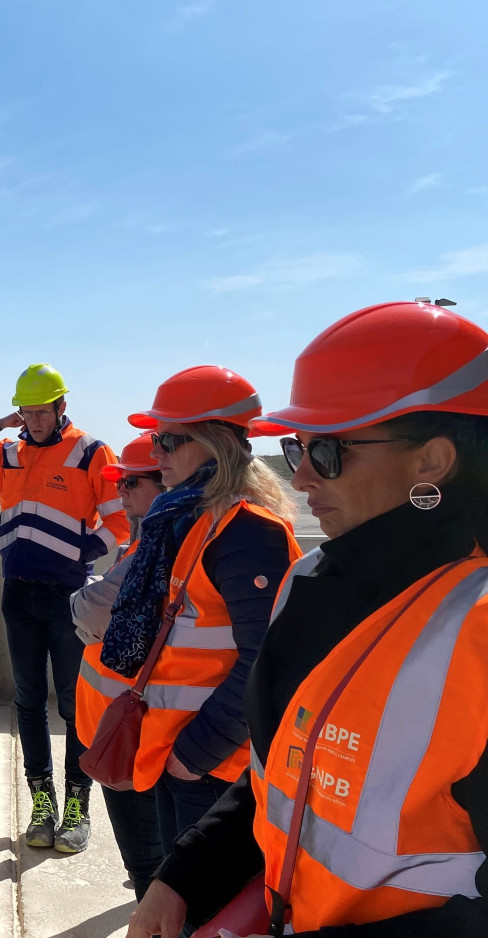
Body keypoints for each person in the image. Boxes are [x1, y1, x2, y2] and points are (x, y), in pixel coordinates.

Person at [129, 301, 488, 938]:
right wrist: (185, 875)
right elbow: (281, 775)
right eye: (298, 449)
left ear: (431, 462)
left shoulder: (478, 628)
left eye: (326, 450)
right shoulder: (313, 582)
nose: (299, 478)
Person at [96, 366, 301, 859]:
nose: (156, 451)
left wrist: (195, 755)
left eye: (169, 439)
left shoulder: (249, 535)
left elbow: (270, 662)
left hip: (210, 766)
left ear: (214, 443)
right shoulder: (187, 522)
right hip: (172, 752)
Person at [0, 363, 129, 853]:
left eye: (42, 411)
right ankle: (42, 803)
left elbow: (120, 524)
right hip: (19, 594)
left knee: (74, 706)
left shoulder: (91, 451)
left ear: (61, 407)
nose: (34, 420)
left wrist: (78, 556)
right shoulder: (10, 450)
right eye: (26, 412)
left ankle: (76, 805)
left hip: (68, 597)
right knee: (29, 701)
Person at [72, 430, 168, 898]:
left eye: (132, 483)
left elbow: (91, 612)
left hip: (134, 740)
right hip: (117, 732)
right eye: (120, 482)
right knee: (152, 861)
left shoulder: (157, 547)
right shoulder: (141, 543)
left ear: (166, 483)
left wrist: (82, 604)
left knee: (151, 864)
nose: (120, 492)